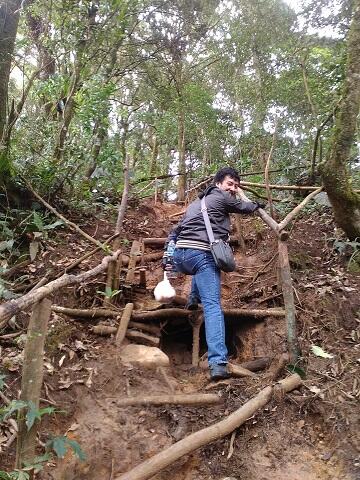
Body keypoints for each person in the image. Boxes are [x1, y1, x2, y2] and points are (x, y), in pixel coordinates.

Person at [164, 167, 264, 380]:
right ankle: (218, 362)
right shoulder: (220, 197)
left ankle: (192, 298)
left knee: (200, 270)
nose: (233, 188)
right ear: (218, 183)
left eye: (236, 186)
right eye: (230, 184)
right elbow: (244, 207)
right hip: (201, 256)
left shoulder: (194, 204)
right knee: (213, 307)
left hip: (181, 258)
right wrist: (258, 204)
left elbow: (175, 232)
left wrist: (170, 256)